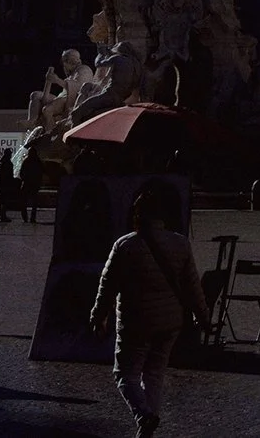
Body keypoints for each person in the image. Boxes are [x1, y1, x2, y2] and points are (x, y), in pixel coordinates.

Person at [89, 183, 208, 438]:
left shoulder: (125, 246)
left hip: (136, 321)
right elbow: (192, 285)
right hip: (170, 322)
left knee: (124, 373)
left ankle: (144, 415)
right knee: (154, 374)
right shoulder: (180, 244)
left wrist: (98, 315)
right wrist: (203, 316)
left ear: (136, 214)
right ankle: (147, 428)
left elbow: (107, 285)